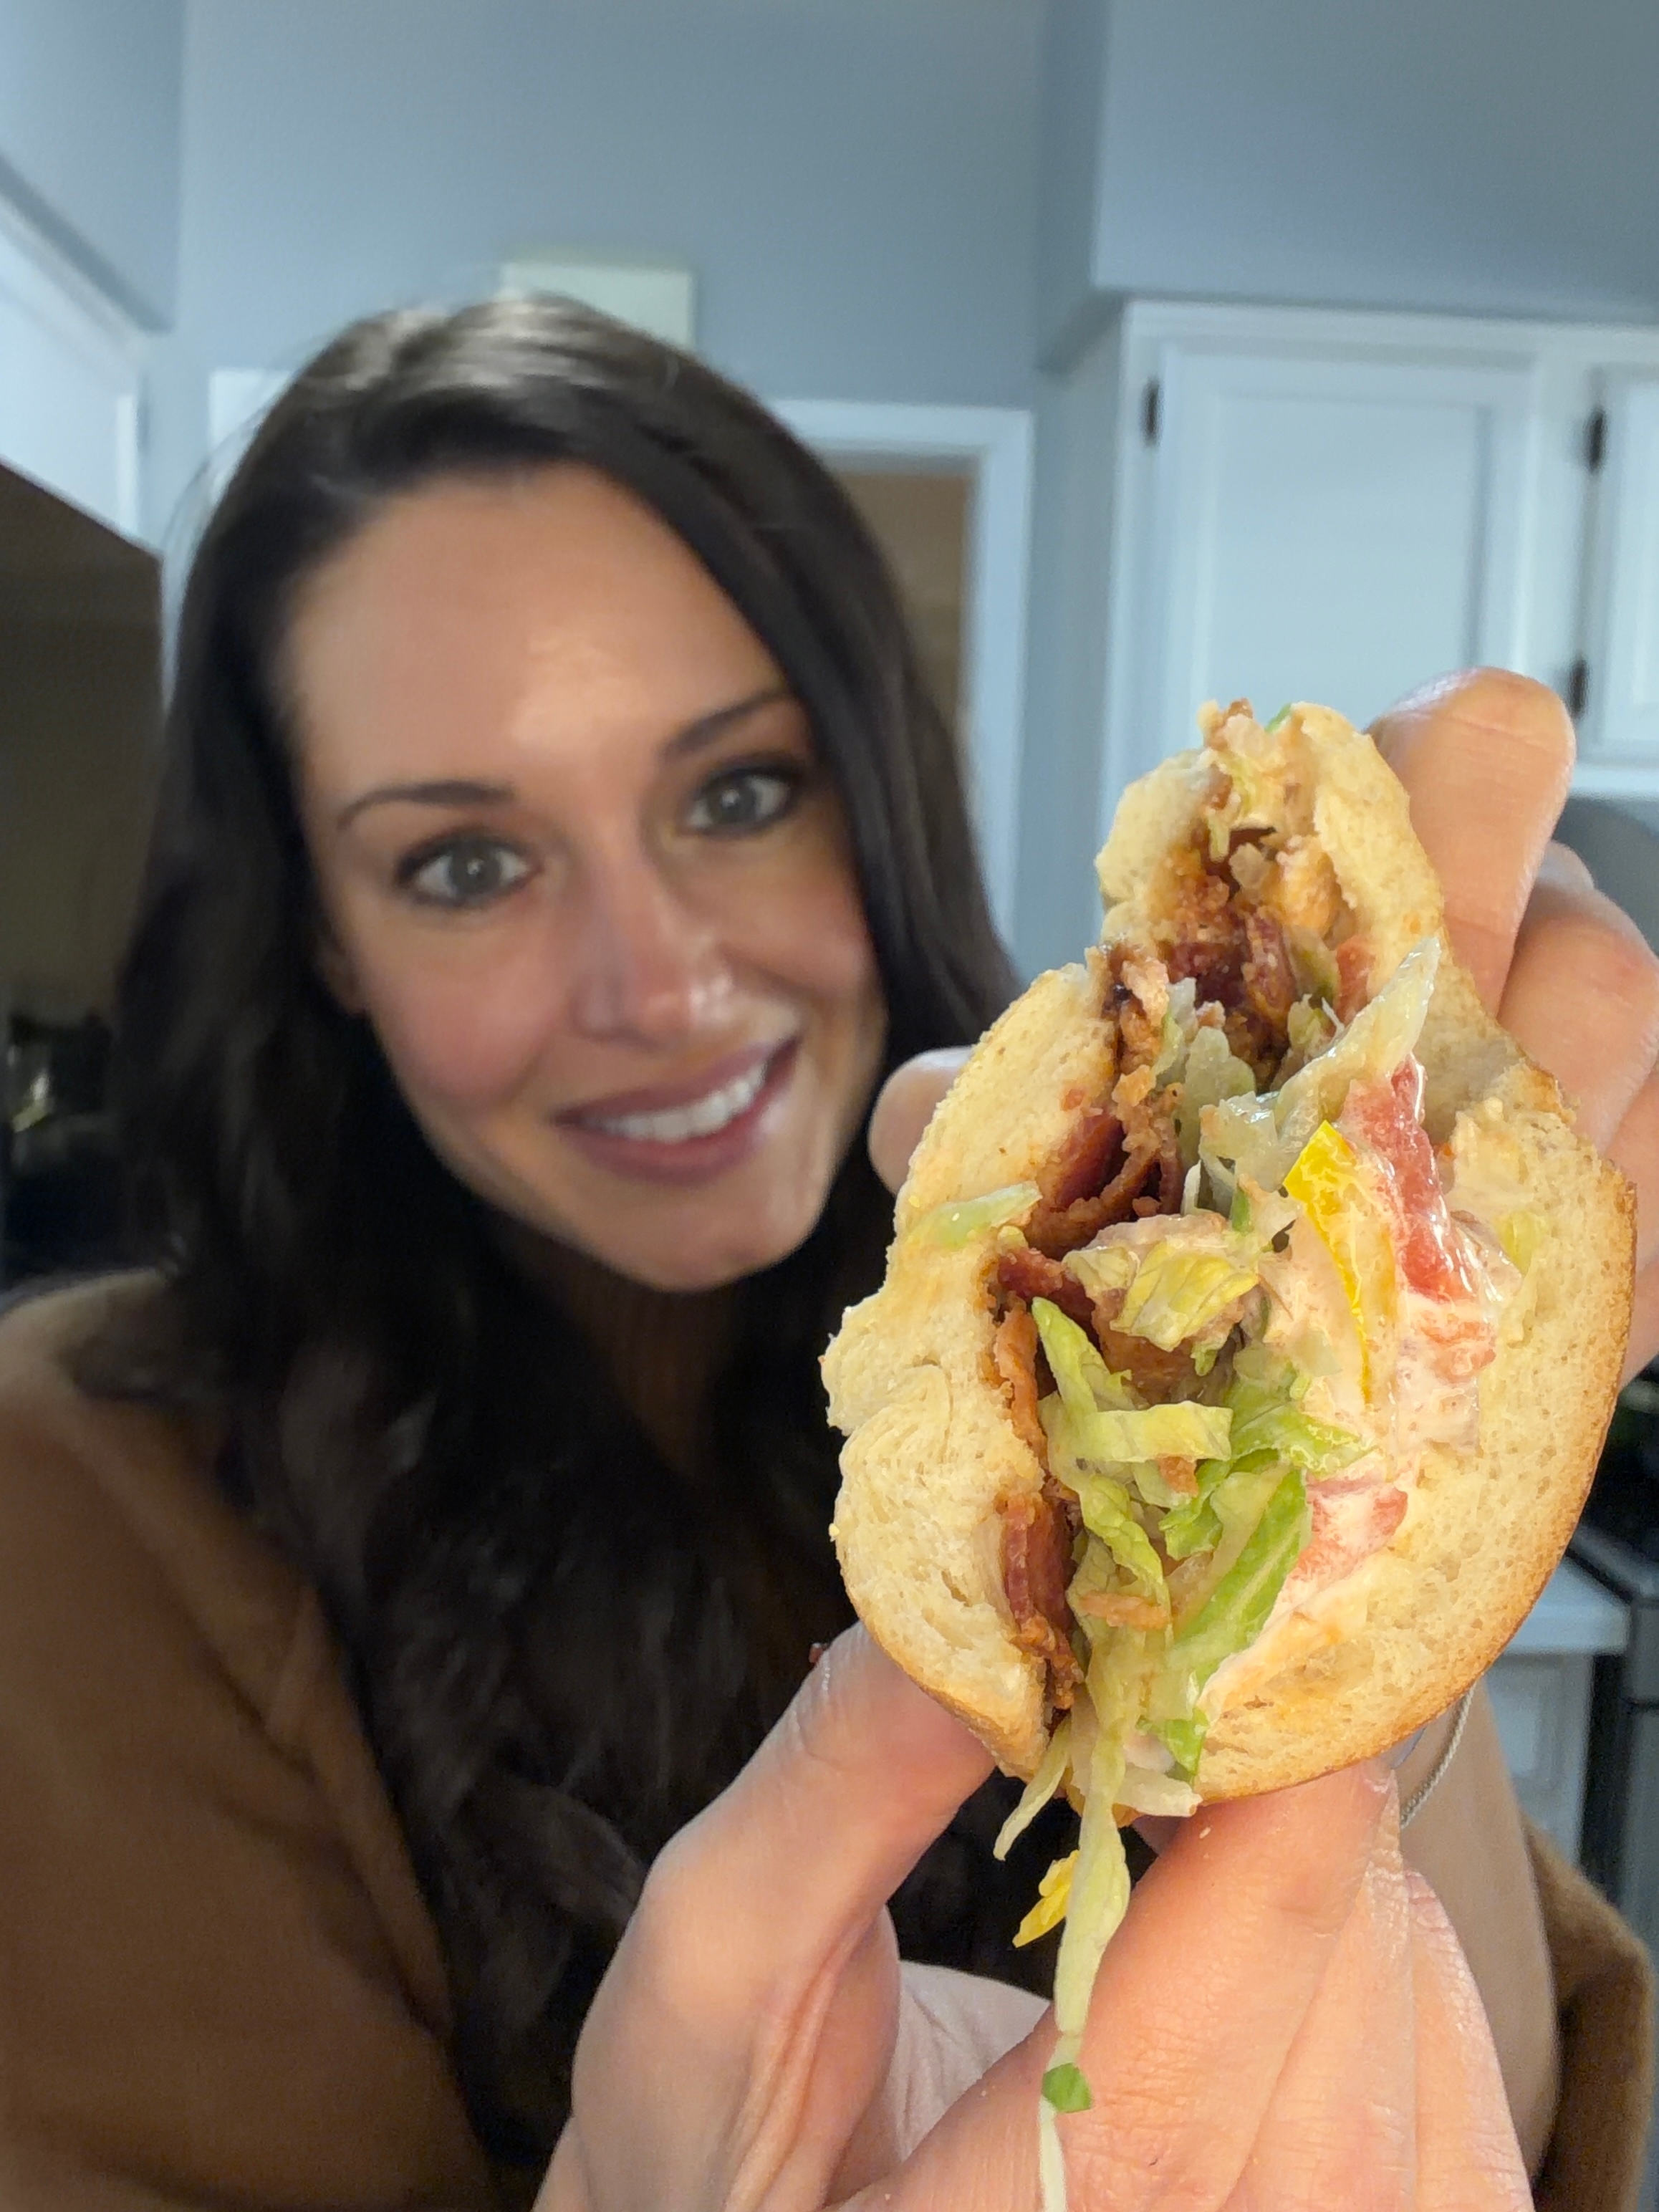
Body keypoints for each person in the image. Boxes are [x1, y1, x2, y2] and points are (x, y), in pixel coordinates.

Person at [0, 297, 1650, 2211]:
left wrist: (1376, 1531)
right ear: (325, 944)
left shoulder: (1070, 1275)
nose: (661, 982)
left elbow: (1479, 2135)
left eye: (736, 793)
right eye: (464, 863)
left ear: (870, 801)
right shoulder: (76, 1500)